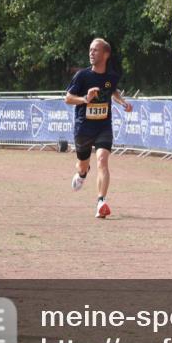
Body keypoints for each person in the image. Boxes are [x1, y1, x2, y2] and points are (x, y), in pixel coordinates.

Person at [65, 38, 133, 218]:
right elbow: (68, 98)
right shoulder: (82, 76)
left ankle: (101, 202)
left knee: (102, 160)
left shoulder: (111, 76)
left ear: (106, 54)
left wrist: (122, 102)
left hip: (104, 126)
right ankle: (82, 173)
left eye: (95, 50)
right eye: (90, 50)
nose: (91, 53)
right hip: (83, 128)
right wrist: (85, 99)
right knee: (83, 165)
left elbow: (113, 91)